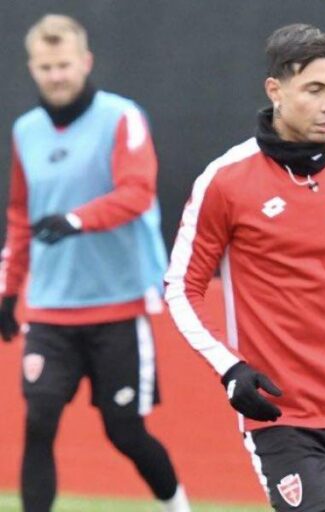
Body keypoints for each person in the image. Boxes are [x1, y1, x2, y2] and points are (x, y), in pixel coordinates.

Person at [164, 24, 325, 512]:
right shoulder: (226, 181)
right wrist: (229, 368)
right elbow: (180, 288)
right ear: (275, 91)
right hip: (284, 417)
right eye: (315, 90)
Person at [0, 14, 189, 512]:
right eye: (45, 67)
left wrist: (77, 220)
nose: (55, 75)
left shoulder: (121, 117)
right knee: (38, 422)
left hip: (117, 306)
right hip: (50, 311)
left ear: (84, 62)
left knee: (124, 430)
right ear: (33, 68)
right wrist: (9, 288)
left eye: (63, 64)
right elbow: (21, 214)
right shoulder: (26, 131)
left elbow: (137, 191)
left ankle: (178, 506)